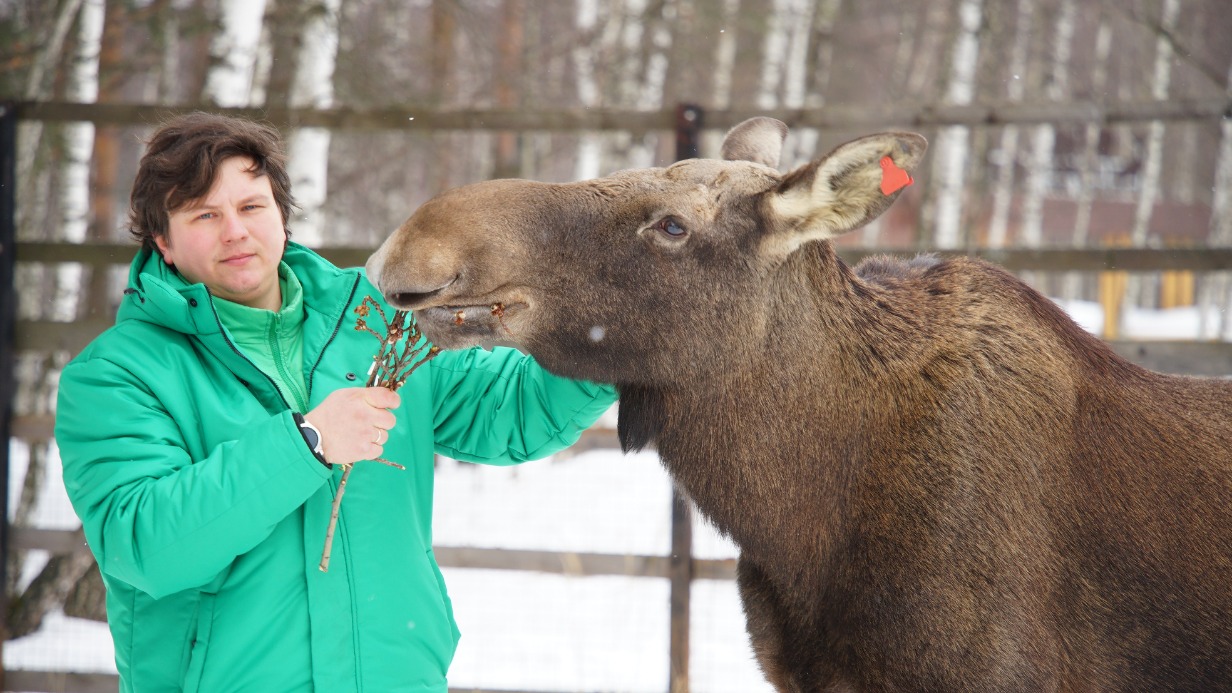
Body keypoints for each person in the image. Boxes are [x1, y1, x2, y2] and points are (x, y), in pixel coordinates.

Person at [54, 112, 617, 692]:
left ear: (280, 215)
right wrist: (306, 445)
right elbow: (146, 546)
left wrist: (617, 341)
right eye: (205, 215)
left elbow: (512, 411)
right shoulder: (115, 377)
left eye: (251, 207)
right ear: (163, 242)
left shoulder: (376, 320)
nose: (235, 232)